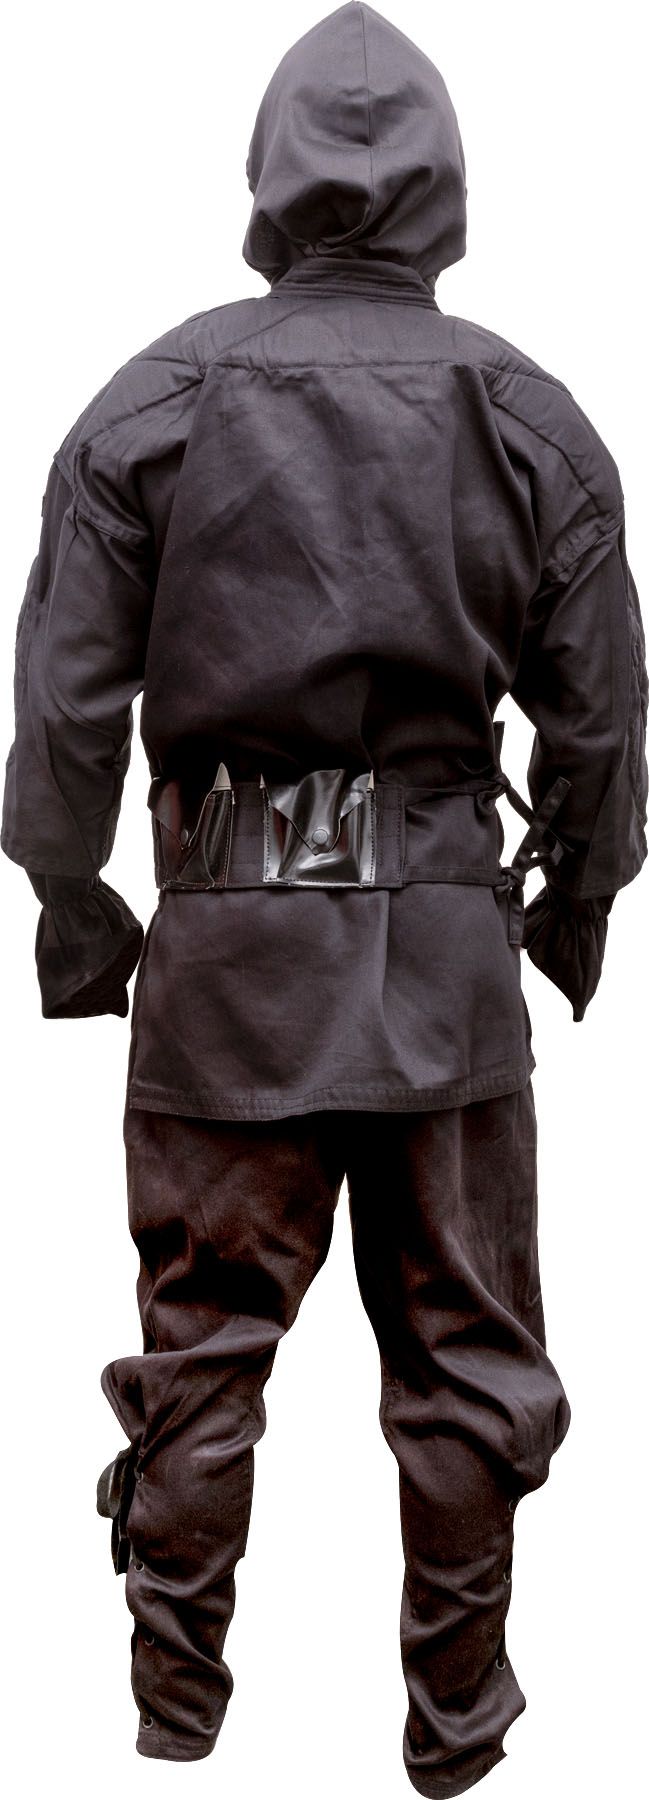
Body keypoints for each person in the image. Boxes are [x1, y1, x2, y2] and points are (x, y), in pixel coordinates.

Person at [2, 3, 647, 1794]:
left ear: (266, 186)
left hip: (225, 970)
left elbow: (60, 717)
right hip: (442, 966)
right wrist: (569, 912)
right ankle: (457, 1735)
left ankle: (172, 1722)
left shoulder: (152, 404)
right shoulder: (528, 416)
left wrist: (83, 914)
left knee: (203, 1354)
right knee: (466, 1365)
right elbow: (604, 728)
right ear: (448, 192)